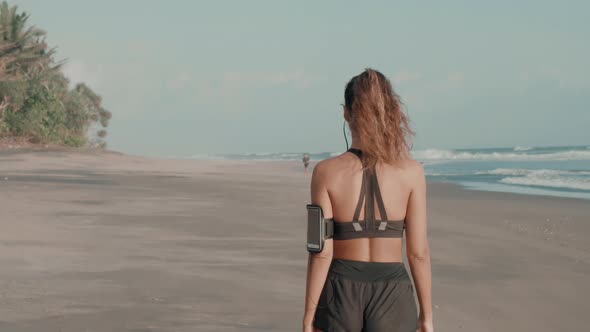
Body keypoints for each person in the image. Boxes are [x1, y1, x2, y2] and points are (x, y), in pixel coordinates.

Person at [303, 69, 432, 332]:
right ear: (390, 110)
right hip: (393, 293)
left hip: (341, 291)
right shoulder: (411, 172)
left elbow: (320, 252)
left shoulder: (325, 172)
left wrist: (309, 316)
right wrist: (427, 316)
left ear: (346, 112)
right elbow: (418, 253)